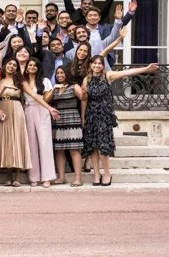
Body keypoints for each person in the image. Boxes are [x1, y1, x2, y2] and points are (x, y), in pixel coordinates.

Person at [82, 56, 159, 186]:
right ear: (90, 65)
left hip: (104, 116)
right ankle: (96, 174)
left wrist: (146, 68)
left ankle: (107, 174)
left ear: (103, 66)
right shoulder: (86, 79)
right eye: (94, 63)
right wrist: (82, 117)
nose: (97, 66)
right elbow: (84, 99)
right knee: (92, 148)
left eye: (99, 64)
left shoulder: (108, 76)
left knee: (103, 147)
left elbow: (127, 73)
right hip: (91, 115)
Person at [21, 58, 60, 187]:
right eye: (30, 65)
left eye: (35, 65)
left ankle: (47, 177)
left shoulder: (45, 81)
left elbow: (46, 98)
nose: (32, 67)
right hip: (28, 110)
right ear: (26, 67)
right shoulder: (22, 81)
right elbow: (33, 96)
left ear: (38, 67)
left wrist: (53, 90)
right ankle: (34, 177)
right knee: (31, 144)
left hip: (42, 110)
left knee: (45, 143)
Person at [0, 58, 31, 187]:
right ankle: (8, 176)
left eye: (14, 65)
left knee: (17, 140)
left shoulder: (20, 81)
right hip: (3, 108)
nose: (12, 66)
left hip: (17, 108)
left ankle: (18, 176)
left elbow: (30, 95)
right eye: (10, 63)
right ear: (5, 65)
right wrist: (3, 91)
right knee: (6, 141)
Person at [48, 64, 84, 186]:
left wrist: (84, 90)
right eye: (57, 73)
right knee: (59, 150)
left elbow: (84, 97)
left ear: (67, 74)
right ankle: (61, 177)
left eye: (62, 73)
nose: (59, 75)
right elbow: (46, 100)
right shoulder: (56, 88)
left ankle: (78, 178)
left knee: (74, 149)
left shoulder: (74, 86)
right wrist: (53, 88)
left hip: (72, 118)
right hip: (58, 120)